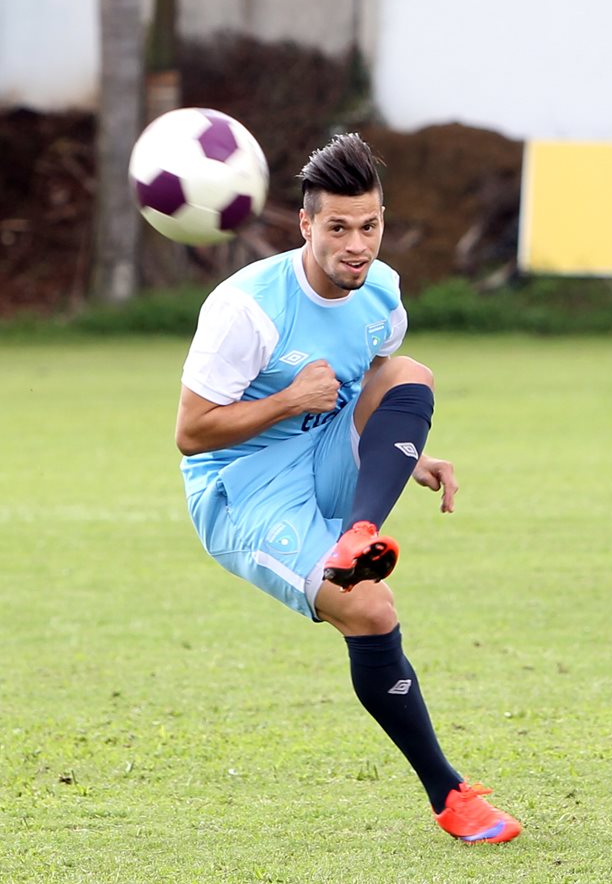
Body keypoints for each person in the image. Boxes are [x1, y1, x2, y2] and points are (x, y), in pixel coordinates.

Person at [174, 132, 521, 844]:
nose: (356, 245)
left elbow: (374, 391)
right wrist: (285, 399)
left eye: (370, 225)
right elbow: (192, 432)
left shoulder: (383, 294)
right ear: (306, 225)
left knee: (408, 373)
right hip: (243, 486)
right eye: (338, 228)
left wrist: (405, 457)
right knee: (369, 607)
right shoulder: (246, 309)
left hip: (328, 451)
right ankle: (450, 795)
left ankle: (360, 533)